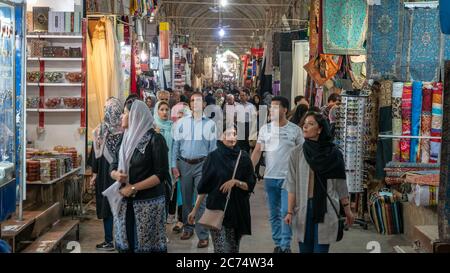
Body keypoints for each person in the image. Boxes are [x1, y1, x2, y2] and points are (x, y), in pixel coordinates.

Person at [284, 111, 353, 253]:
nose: (305, 127)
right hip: (303, 208)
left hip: (326, 208)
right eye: (304, 124)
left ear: (320, 129)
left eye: (310, 124)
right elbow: (292, 184)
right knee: (305, 250)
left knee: (321, 250)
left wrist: (347, 210)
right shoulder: (297, 153)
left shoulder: (334, 154)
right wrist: (289, 212)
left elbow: (340, 186)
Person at [110, 100, 169, 253]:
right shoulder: (124, 139)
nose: (122, 116)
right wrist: (116, 175)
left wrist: (134, 187)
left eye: (125, 113)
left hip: (148, 203)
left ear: (135, 116)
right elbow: (113, 165)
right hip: (124, 202)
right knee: (127, 241)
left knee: (146, 245)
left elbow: (161, 174)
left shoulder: (155, 140)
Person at [188, 126, 256, 253]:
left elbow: (250, 185)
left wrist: (236, 182)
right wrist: (194, 210)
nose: (232, 137)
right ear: (221, 136)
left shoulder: (244, 157)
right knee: (221, 250)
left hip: (237, 212)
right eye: (228, 134)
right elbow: (204, 187)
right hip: (217, 210)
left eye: (234, 134)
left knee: (233, 250)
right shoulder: (213, 157)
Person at [251, 96, 304, 253]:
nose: (271, 110)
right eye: (271, 107)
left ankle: (285, 245)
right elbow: (257, 151)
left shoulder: (295, 130)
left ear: (285, 110)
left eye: (275, 107)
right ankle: (278, 243)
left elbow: (303, 154)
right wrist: (246, 170)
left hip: (289, 179)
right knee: (273, 214)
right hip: (270, 178)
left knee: (285, 212)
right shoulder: (265, 129)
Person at [172, 91, 217, 248]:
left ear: (204, 104)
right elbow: (175, 146)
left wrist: (212, 170)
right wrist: (173, 165)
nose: (194, 103)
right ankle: (188, 227)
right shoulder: (181, 123)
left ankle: (203, 235)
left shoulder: (210, 124)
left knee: (201, 200)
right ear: (189, 104)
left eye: (198, 100)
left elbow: (213, 150)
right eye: (192, 100)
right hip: (184, 165)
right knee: (186, 199)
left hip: (202, 165)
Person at [88, 97, 123, 251]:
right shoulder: (125, 129)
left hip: (105, 174)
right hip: (122, 174)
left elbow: (95, 157)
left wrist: (94, 174)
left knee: (109, 206)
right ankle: (121, 240)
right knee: (120, 206)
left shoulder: (99, 131)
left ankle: (109, 240)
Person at [153, 101, 174, 223]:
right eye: (162, 109)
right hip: (155, 169)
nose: (165, 112)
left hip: (169, 168)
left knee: (166, 196)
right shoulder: (152, 127)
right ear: (157, 111)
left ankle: (163, 229)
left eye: (167, 110)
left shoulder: (173, 126)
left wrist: (174, 166)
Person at [236, 89, 257, 153]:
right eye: (240, 95)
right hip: (240, 125)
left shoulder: (251, 106)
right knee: (239, 142)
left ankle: (246, 155)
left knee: (247, 143)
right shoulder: (237, 105)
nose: (241, 97)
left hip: (248, 125)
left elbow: (254, 117)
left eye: (243, 95)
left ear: (247, 96)